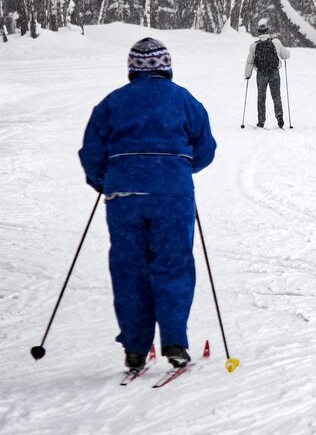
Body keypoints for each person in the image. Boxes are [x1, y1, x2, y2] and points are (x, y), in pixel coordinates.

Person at [78, 38, 217, 371]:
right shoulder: (184, 100)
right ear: (166, 67)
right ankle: (174, 341)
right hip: (172, 194)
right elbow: (206, 148)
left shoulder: (112, 103)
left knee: (130, 269)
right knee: (173, 264)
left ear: (132, 69)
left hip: (123, 195)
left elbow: (92, 152)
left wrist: (105, 182)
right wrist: (180, 169)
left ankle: (135, 348)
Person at [244, 19, 290, 128]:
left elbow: (250, 61)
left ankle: (261, 121)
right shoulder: (275, 42)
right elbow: (286, 55)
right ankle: (279, 117)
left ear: (258, 32)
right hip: (274, 73)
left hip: (261, 74)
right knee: (276, 96)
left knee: (261, 98)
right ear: (267, 30)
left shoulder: (254, 46)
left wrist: (248, 74)